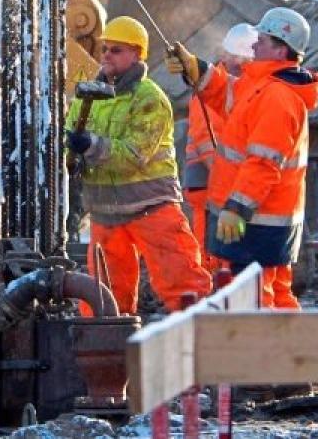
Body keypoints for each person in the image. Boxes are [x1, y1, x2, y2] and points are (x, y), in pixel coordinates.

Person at [168, 7, 318, 310]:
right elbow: (228, 93)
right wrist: (197, 69)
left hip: (256, 219)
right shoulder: (263, 86)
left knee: (253, 299)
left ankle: (261, 354)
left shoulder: (278, 98)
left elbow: (263, 163)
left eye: (261, 40)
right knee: (275, 295)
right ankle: (291, 352)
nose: (253, 46)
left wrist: (237, 208)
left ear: (280, 49)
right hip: (263, 217)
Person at [67, 16, 212, 315]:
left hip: (152, 210)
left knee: (185, 287)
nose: (107, 55)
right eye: (105, 48)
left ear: (136, 54)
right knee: (103, 304)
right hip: (106, 214)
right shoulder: (88, 98)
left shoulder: (150, 99)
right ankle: (105, 357)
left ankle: (203, 346)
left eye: (116, 50)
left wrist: (90, 145)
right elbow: (70, 143)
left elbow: (134, 155)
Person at [182, 23, 258, 274]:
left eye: (244, 58)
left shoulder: (238, 87)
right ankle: (208, 288)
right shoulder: (210, 90)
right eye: (237, 57)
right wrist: (228, 176)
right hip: (208, 182)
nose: (240, 63)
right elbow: (205, 137)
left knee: (225, 243)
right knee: (209, 246)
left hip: (224, 181)